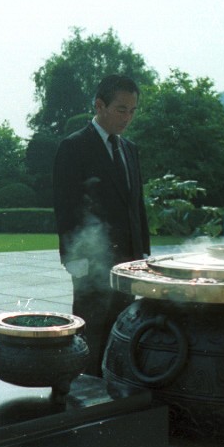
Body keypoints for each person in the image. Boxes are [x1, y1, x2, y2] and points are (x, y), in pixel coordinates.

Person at [53, 74, 150, 377]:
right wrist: (73, 257)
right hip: (90, 262)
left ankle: (114, 390)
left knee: (122, 329)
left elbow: (137, 205)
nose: (128, 118)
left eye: (133, 110)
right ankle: (85, 396)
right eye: (122, 109)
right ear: (99, 105)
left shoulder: (129, 149)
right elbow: (66, 207)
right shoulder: (74, 147)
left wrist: (143, 253)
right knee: (90, 332)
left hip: (127, 263)